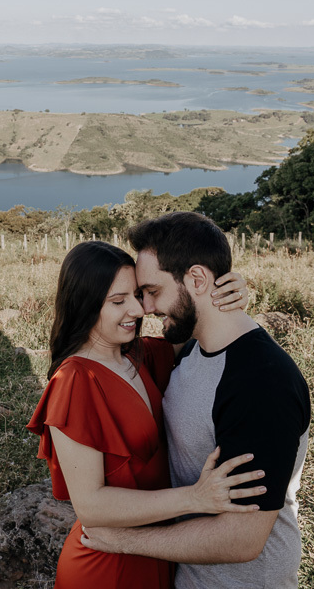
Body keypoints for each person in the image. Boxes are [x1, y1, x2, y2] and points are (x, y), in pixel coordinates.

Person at [81, 212, 312, 588]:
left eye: (153, 291)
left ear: (198, 279)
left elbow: (242, 539)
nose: (146, 308)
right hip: (188, 572)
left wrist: (121, 540)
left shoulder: (261, 382)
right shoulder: (191, 347)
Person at [27, 240, 263, 589]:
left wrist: (226, 293)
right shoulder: (75, 381)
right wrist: (194, 497)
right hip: (108, 565)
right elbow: (91, 506)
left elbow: (198, 325)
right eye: (118, 302)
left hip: (158, 552)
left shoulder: (140, 355)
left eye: (137, 295)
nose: (138, 311)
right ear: (85, 305)